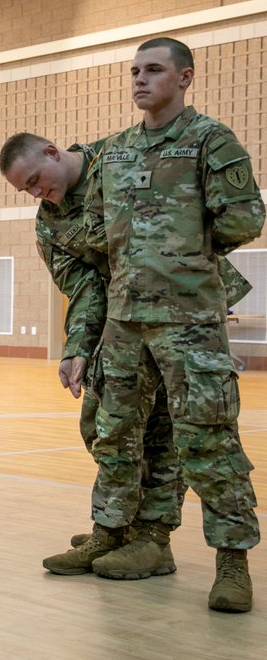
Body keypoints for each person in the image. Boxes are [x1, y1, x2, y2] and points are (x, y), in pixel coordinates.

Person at [0, 132, 252, 578]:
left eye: (37, 180)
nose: (38, 194)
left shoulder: (120, 161)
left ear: (53, 153)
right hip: (123, 317)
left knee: (172, 429)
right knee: (104, 425)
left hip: (181, 309)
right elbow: (82, 286)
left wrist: (194, 284)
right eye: (28, 190)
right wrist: (78, 346)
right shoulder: (50, 221)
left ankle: (152, 537)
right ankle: (121, 528)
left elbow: (192, 219)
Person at [80, 37, 262, 613]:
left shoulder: (211, 140)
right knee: (119, 437)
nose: (140, 80)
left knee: (207, 439)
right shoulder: (112, 152)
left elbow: (244, 218)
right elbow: (92, 229)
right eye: (134, 71)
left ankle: (232, 563)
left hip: (189, 322)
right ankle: (130, 540)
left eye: (153, 70)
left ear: (185, 78)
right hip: (126, 320)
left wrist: (182, 257)